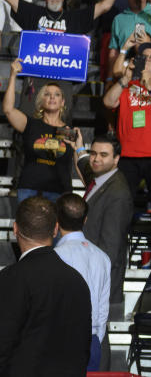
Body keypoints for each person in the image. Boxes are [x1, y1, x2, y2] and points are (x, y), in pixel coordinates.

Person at [102, 42, 151, 261]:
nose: (148, 61)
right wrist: (125, 79)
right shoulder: (127, 85)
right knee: (121, 206)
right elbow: (108, 102)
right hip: (129, 156)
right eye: (143, 57)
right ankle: (117, 254)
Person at [0, 196, 91, 375]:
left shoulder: (11, 278)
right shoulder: (77, 280)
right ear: (56, 229)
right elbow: (83, 346)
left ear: (15, 229)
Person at [70, 133, 134, 311]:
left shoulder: (118, 194)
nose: (96, 159)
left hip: (98, 287)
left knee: (96, 337)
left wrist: (91, 284)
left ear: (116, 159)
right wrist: (80, 149)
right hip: (89, 280)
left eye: (103, 155)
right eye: (93, 153)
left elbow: (109, 250)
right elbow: (89, 169)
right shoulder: (102, 179)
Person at [54, 194, 110, 372]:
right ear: (85, 220)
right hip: (92, 338)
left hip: (62, 339)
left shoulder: (55, 256)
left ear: (56, 220)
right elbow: (103, 309)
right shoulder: (102, 257)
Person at [4, 59, 73, 203]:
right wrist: (12, 76)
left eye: (57, 94)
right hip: (29, 190)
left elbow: (79, 163)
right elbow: (8, 110)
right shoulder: (30, 124)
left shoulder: (69, 132)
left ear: (63, 102)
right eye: (47, 94)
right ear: (41, 101)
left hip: (58, 192)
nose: (52, 97)